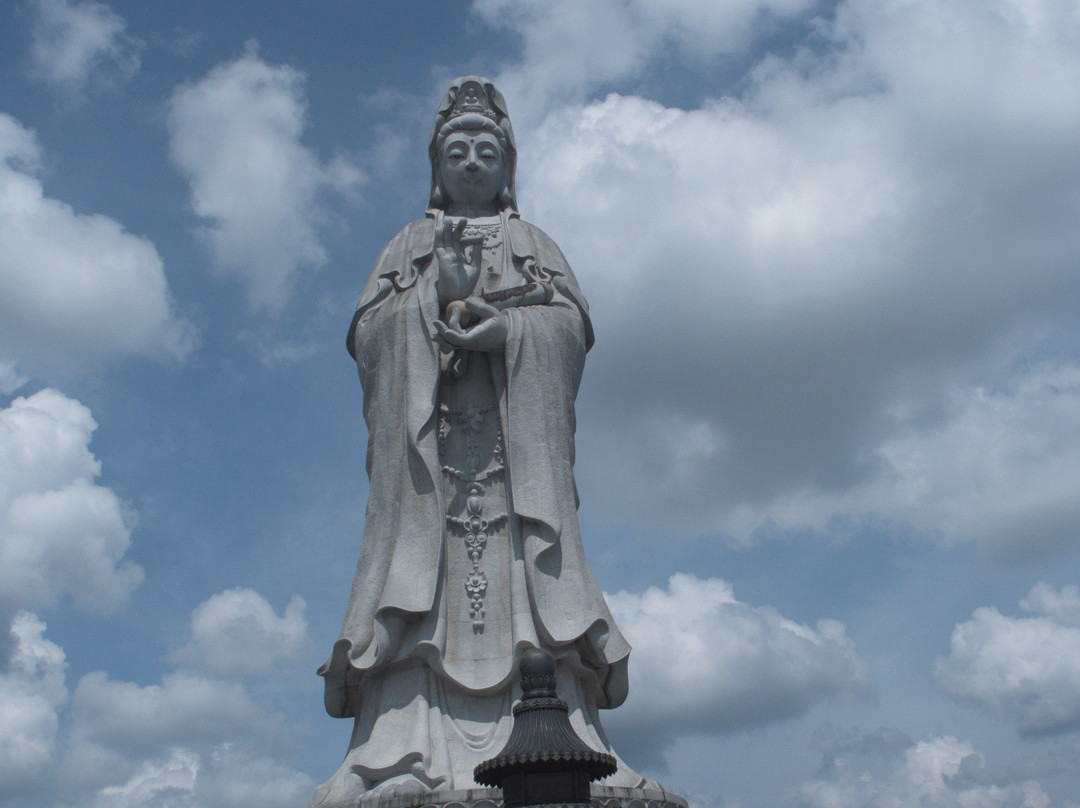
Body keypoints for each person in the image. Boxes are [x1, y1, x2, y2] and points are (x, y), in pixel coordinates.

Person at [311, 77, 642, 806]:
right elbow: (370, 338)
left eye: (485, 149)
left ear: (507, 166)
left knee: (534, 581)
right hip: (432, 473)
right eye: (455, 149)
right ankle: (402, 744)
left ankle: (572, 734)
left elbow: (571, 333)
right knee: (422, 597)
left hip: (515, 467)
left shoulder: (534, 244)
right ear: (435, 165)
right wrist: (427, 303)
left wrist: (512, 331)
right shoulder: (406, 244)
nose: (469, 161)